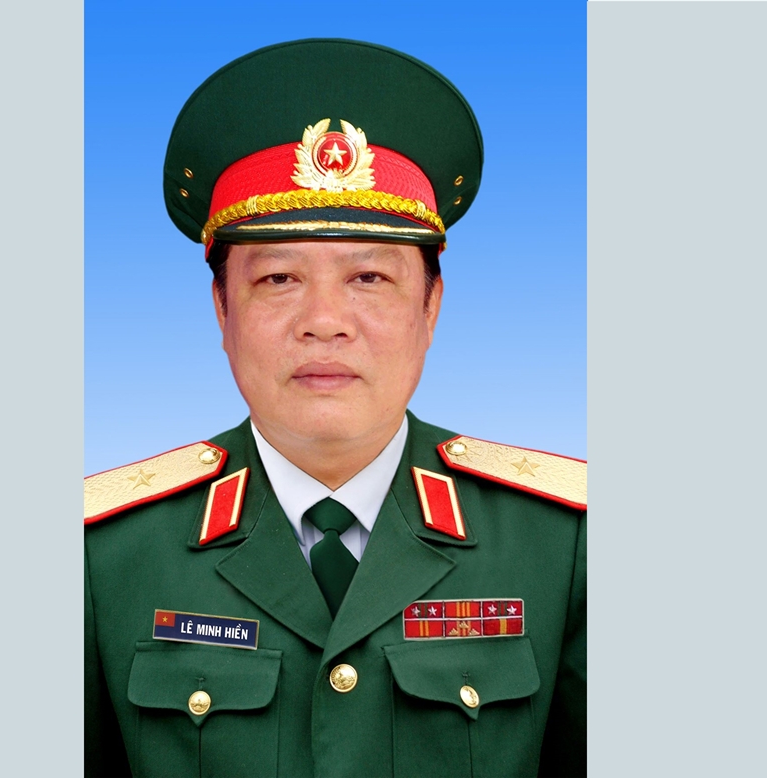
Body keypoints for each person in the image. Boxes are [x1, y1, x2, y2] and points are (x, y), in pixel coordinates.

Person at [85, 39, 585, 778]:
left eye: (369, 277)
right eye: (279, 278)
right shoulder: (103, 556)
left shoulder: (564, 545)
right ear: (222, 310)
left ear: (430, 308)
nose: (324, 322)